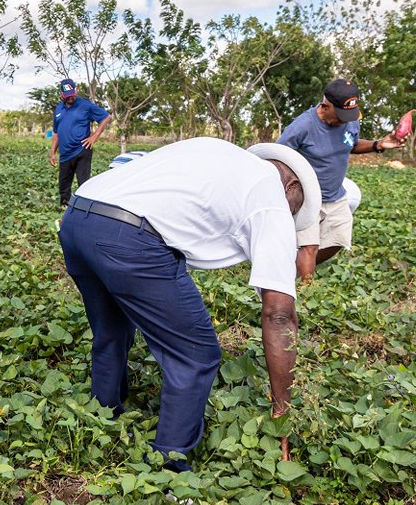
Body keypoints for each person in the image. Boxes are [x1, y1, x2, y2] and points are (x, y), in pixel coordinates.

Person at [58, 138, 321, 467]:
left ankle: (102, 416)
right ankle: (170, 467)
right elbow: (279, 315)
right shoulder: (271, 196)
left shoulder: (216, 153)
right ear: (291, 185)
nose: (290, 216)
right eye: (295, 209)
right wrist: (282, 408)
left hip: (78, 217)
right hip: (127, 236)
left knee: (112, 326)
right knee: (195, 353)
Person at [279, 79, 404, 280]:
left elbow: (351, 144)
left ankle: (289, 272)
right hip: (307, 197)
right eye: (340, 116)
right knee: (309, 246)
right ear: (325, 106)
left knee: (338, 239)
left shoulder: (349, 120)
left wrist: (378, 144)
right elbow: (279, 157)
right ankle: (306, 290)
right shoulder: (302, 126)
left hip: (335, 195)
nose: (344, 121)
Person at [50, 78, 112, 206]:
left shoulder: (85, 105)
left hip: (82, 150)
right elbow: (56, 132)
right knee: (64, 185)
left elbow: (106, 117)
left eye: (72, 94)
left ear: (76, 91)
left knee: (84, 184)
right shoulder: (58, 109)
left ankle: (84, 209)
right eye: (67, 96)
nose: (70, 98)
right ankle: (64, 207)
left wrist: (94, 136)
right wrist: (52, 152)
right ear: (61, 95)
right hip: (65, 154)